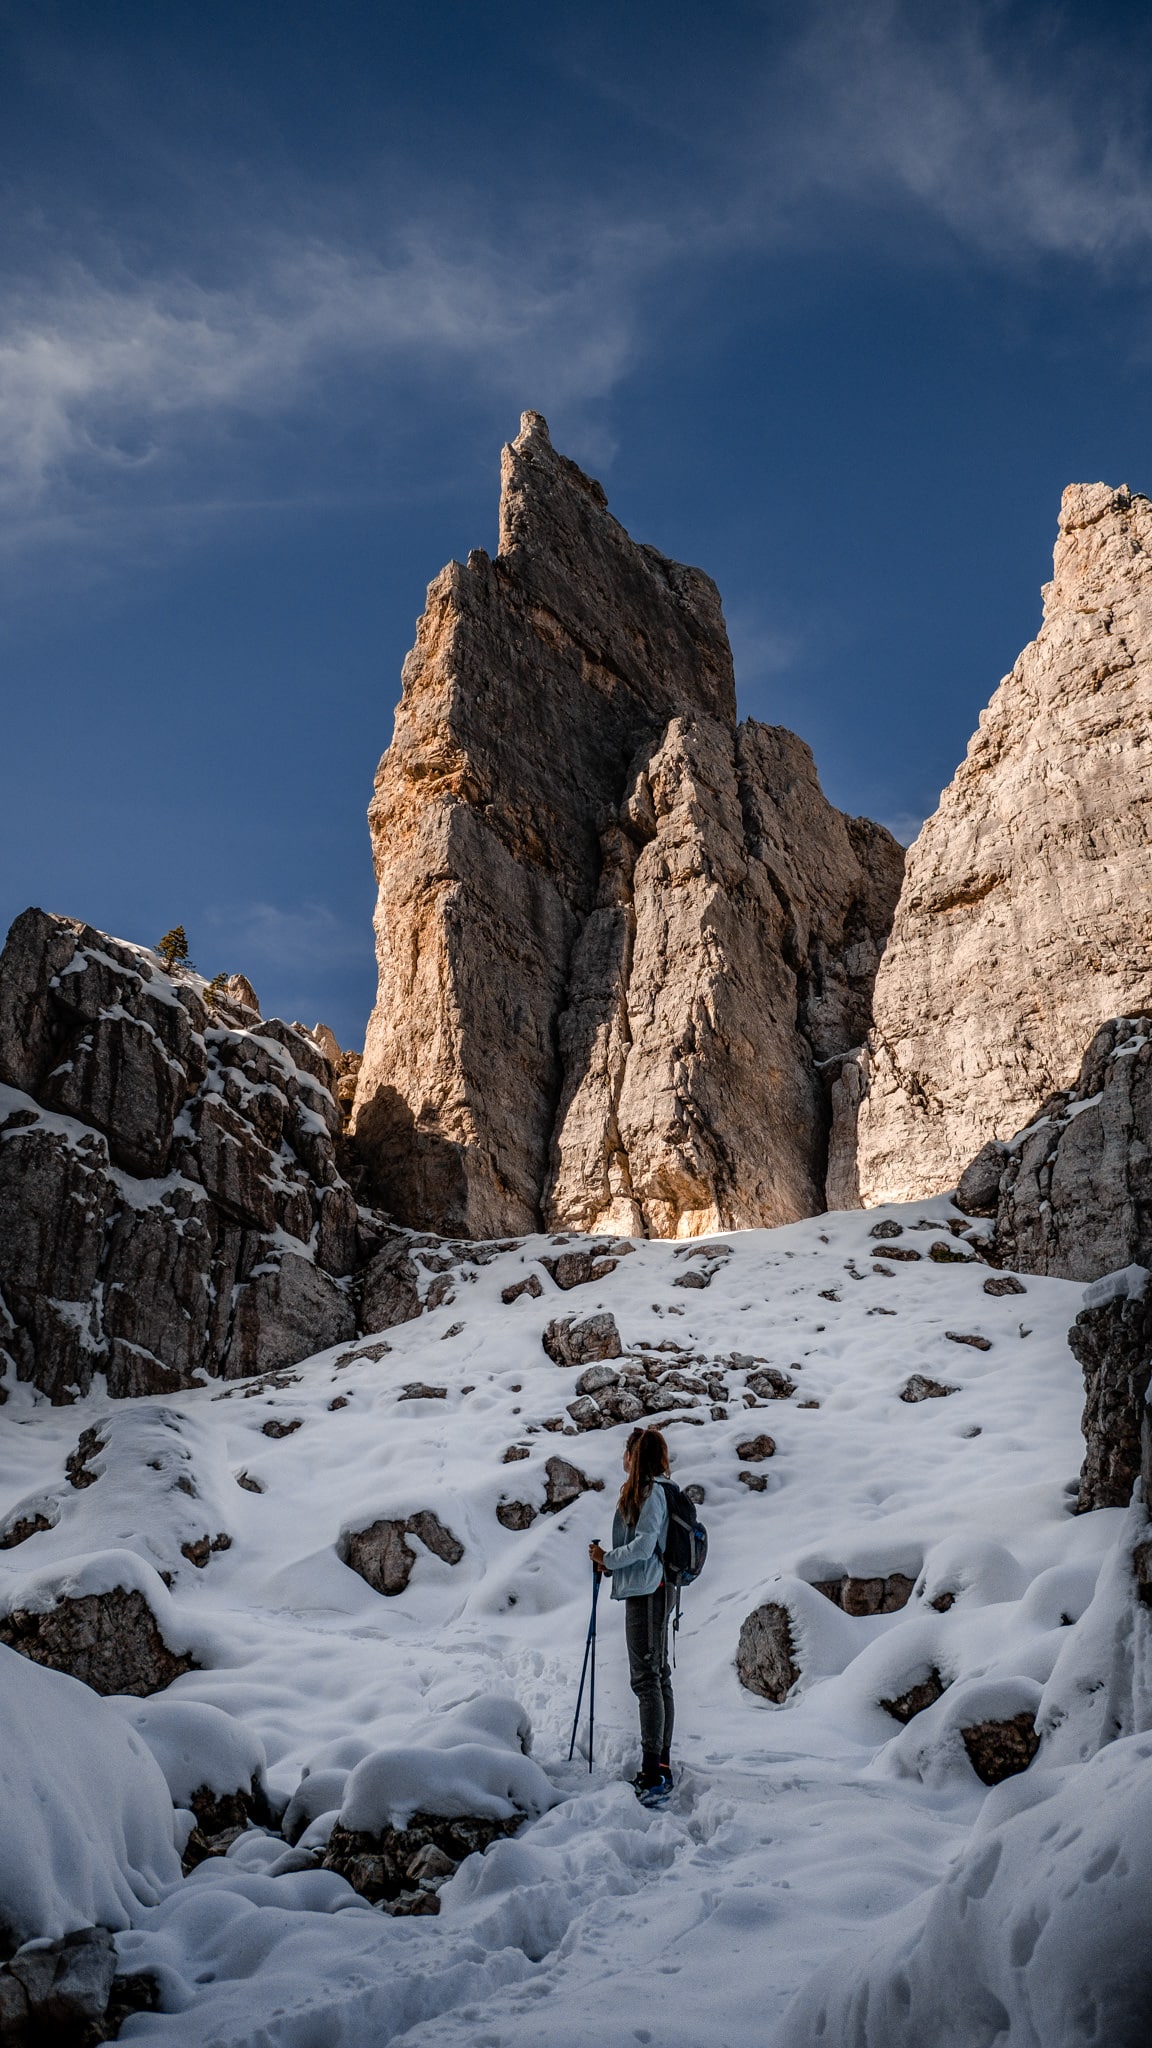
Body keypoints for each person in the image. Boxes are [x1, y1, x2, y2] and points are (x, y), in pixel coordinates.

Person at [589, 1426, 675, 1805]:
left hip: (648, 1593)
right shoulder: (657, 1490)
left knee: (646, 1680)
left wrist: (607, 1559)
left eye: (626, 1453)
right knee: (658, 1677)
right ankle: (660, 1764)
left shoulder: (651, 1493)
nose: (622, 1460)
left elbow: (644, 1545)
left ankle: (653, 1771)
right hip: (655, 1589)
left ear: (633, 1457)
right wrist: (610, 1563)